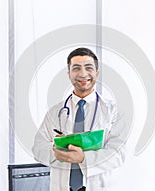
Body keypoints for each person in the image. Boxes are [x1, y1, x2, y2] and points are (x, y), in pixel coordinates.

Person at [32, 47, 130, 191]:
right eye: (76, 68)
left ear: (96, 73)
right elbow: (38, 149)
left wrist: (82, 158)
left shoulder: (114, 112)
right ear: (69, 74)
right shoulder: (55, 113)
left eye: (88, 68)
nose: (83, 74)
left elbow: (118, 153)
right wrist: (56, 151)